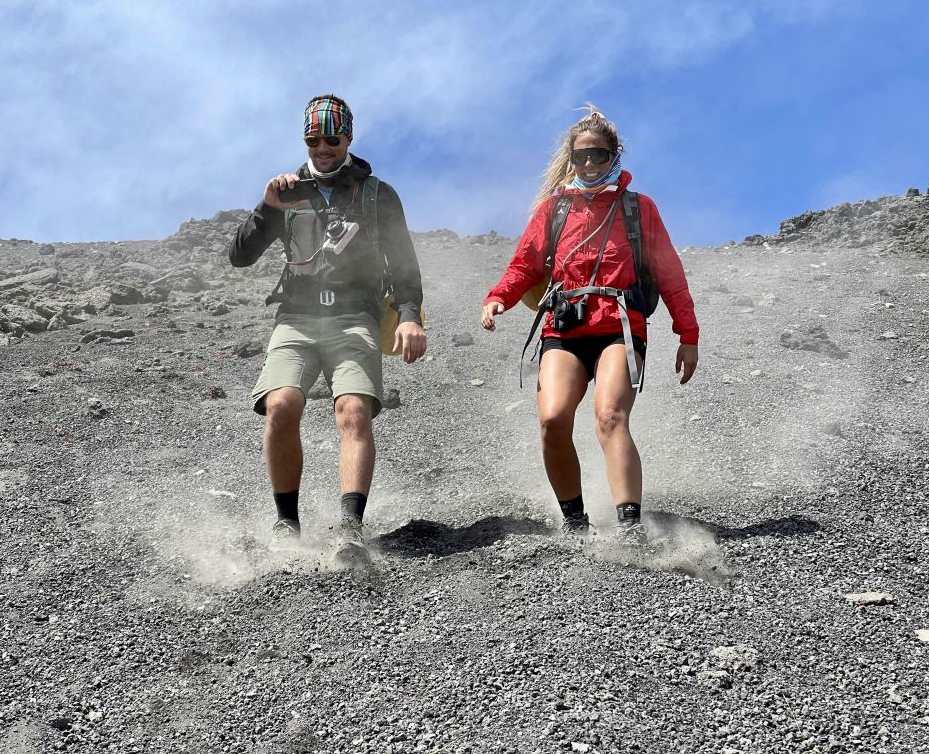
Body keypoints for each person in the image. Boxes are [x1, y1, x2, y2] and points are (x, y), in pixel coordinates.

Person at [480, 107, 698, 544]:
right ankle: (575, 524)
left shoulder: (639, 209)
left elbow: (670, 273)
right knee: (553, 420)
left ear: (615, 155)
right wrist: (498, 297)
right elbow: (525, 264)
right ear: (570, 160)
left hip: (619, 326)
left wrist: (687, 335)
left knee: (610, 416)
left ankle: (630, 527)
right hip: (564, 327)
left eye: (599, 155)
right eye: (581, 158)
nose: (590, 165)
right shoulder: (554, 209)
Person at [229, 94, 426, 566]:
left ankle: (351, 529)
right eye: (312, 139)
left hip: (354, 318)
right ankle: (286, 523)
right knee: (280, 404)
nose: (322, 148)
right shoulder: (287, 190)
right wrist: (265, 206)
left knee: (354, 411)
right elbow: (240, 256)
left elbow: (403, 264)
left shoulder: (378, 194)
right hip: (295, 319)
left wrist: (410, 314)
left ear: (348, 138)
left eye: (331, 139)